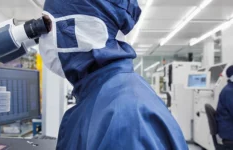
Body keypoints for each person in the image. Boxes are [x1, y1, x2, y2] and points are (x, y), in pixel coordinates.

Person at [38, 0, 187, 149]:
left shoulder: (124, 117)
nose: (41, 37)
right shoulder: (104, 95)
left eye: (47, 26)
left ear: (82, 30)